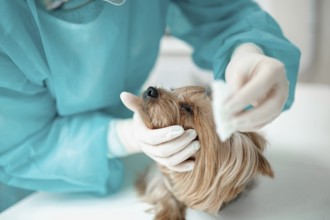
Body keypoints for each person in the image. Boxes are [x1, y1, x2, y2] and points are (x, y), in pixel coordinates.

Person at [0, 0, 300, 205]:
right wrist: (122, 136)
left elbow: (222, 13)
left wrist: (247, 47)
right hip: (32, 188)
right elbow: (22, 147)